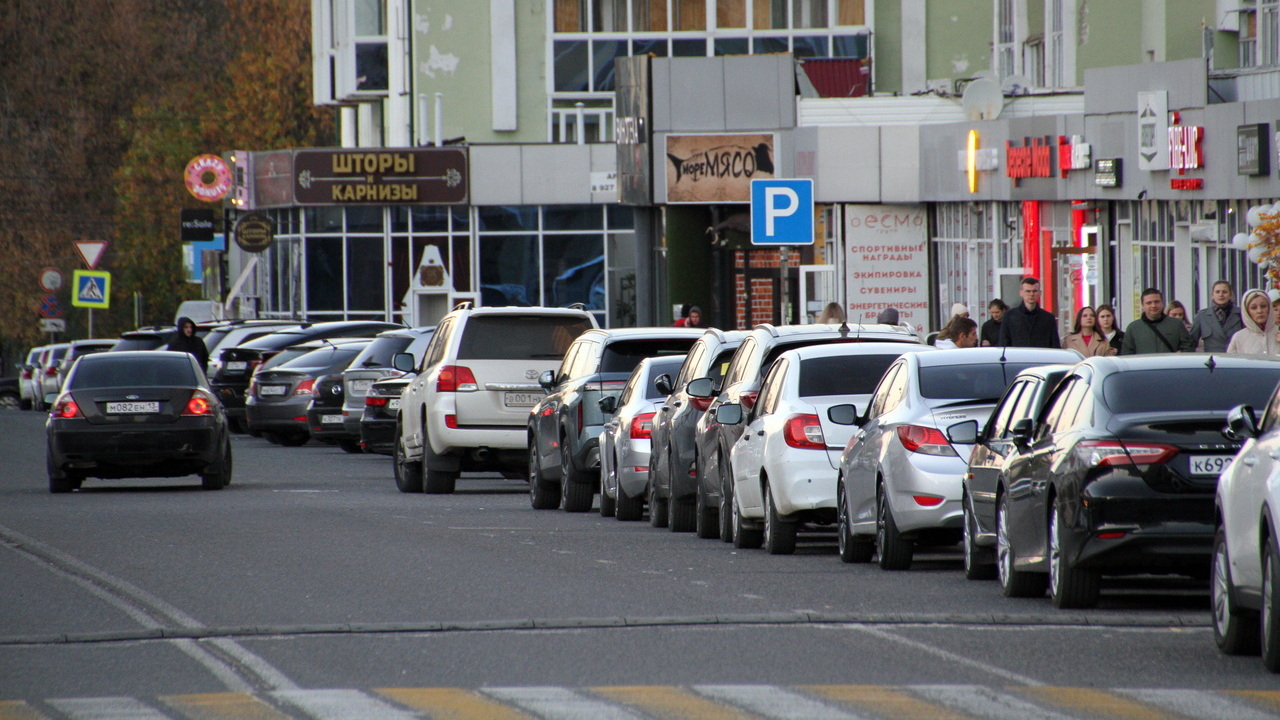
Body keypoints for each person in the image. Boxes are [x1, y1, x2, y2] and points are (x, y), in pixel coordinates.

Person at [1120, 288, 1193, 354]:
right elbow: (1127, 354)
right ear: (1142, 305)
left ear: (1162, 303)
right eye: (1149, 303)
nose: (1153, 305)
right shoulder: (1133, 328)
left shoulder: (1176, 324)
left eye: (1157, 302)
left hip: (1171, 367)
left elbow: (1189, 348)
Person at [997, 277, 1060, 348]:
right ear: (1021, 293)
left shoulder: (1048, 318)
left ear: (1040, 293)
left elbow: (1055, 344)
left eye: (1035, 291)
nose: (1031, 294)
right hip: (1017, 358)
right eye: (1028, 291)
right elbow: (1003, 343)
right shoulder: (1009, 316)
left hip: (1041, 358)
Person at [1188, 281, 1243, 353]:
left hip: (1236, 359)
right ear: (1212, 295)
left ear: (1230, 295)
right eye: (1217, 292)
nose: (1221, 295)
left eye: (1224, 292)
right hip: (1212, 361)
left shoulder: (1241, 314)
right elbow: (1191, 343)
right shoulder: (1202, 316)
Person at [1226, 289, 1277, 354]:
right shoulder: (1239, 337)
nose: (1259, 311)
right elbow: (1231, 362)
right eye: (1254, 308)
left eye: (1263, 306)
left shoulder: (1278, 332)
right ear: (1247, 312)